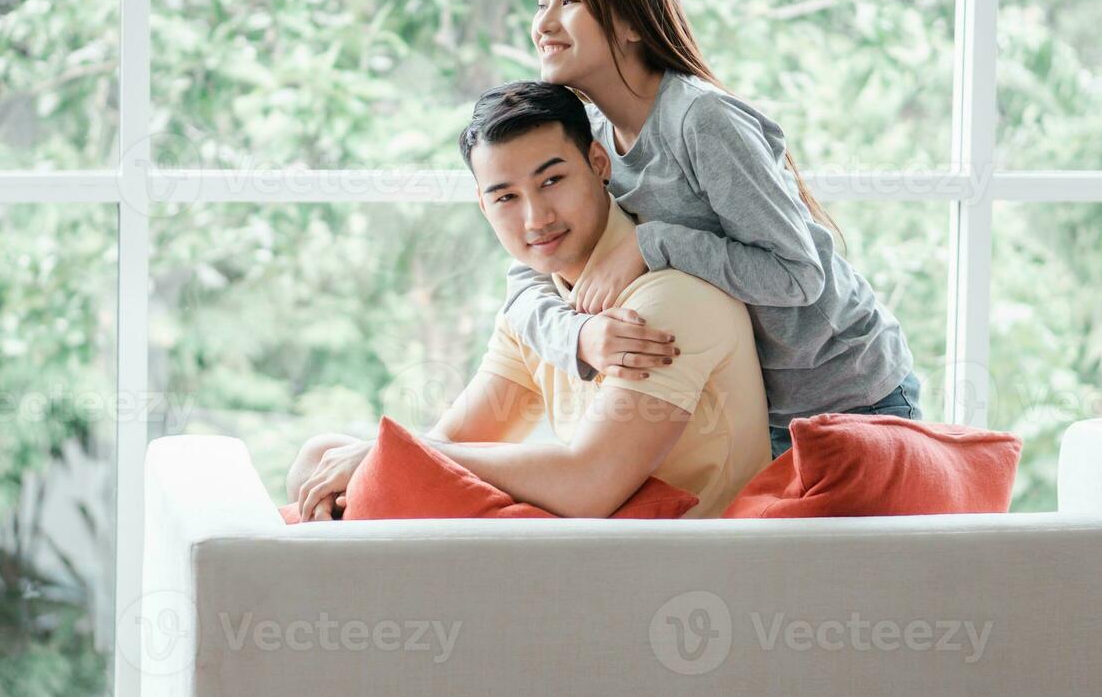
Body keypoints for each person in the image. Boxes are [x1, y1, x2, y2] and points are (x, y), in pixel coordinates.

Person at [508, 0, 921, 460]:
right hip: (753, 410)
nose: (543, 25)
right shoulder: (589, 135)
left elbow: (797, 274)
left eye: (569, 1)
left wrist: (649, 244)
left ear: (632, 21)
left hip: (853, 398)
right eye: (541, 4)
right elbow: (528, 271)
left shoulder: (702, 120)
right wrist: (578, 339)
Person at [287, 81, 770, 521]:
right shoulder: (539, 304)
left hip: (677, 558)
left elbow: (589, 483)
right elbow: (453, 442)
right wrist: (373, 458)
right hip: (591, 540)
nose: (535, 218)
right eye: (506, 198)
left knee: (364, 483)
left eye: (551, 181)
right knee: (320, 458)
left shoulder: (671, 297)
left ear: (598, 164)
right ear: (483, 205)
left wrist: (381, 455)